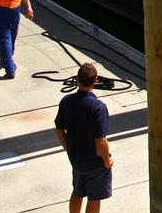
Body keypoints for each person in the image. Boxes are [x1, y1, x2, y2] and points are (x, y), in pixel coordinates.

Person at [54, 63, 113, 212]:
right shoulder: (98, 107)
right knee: (94, 197)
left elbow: (59, 129)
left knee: (77, 192)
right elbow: (101, 140)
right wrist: (107, 161)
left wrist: (68, 148)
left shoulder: (66, 101)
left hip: (76, 159)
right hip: (94, 162)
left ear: (77, 79)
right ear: (96, 80)